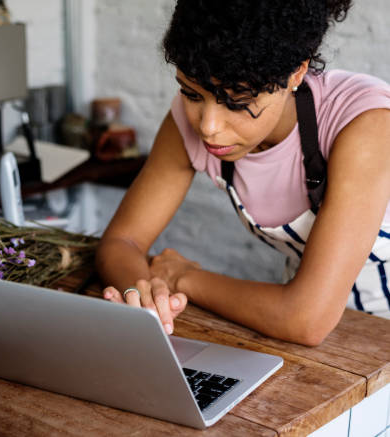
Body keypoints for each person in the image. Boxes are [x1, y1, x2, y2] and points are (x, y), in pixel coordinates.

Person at [95, 0, 390, 346]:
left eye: (237, 101)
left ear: (296, 72)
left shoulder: (365, 124)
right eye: (192, 93)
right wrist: (145, 293)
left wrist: (187, 278)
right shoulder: (191, 126)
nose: (209, 127)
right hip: (325, 335)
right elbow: (121, 242)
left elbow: (306, 319)